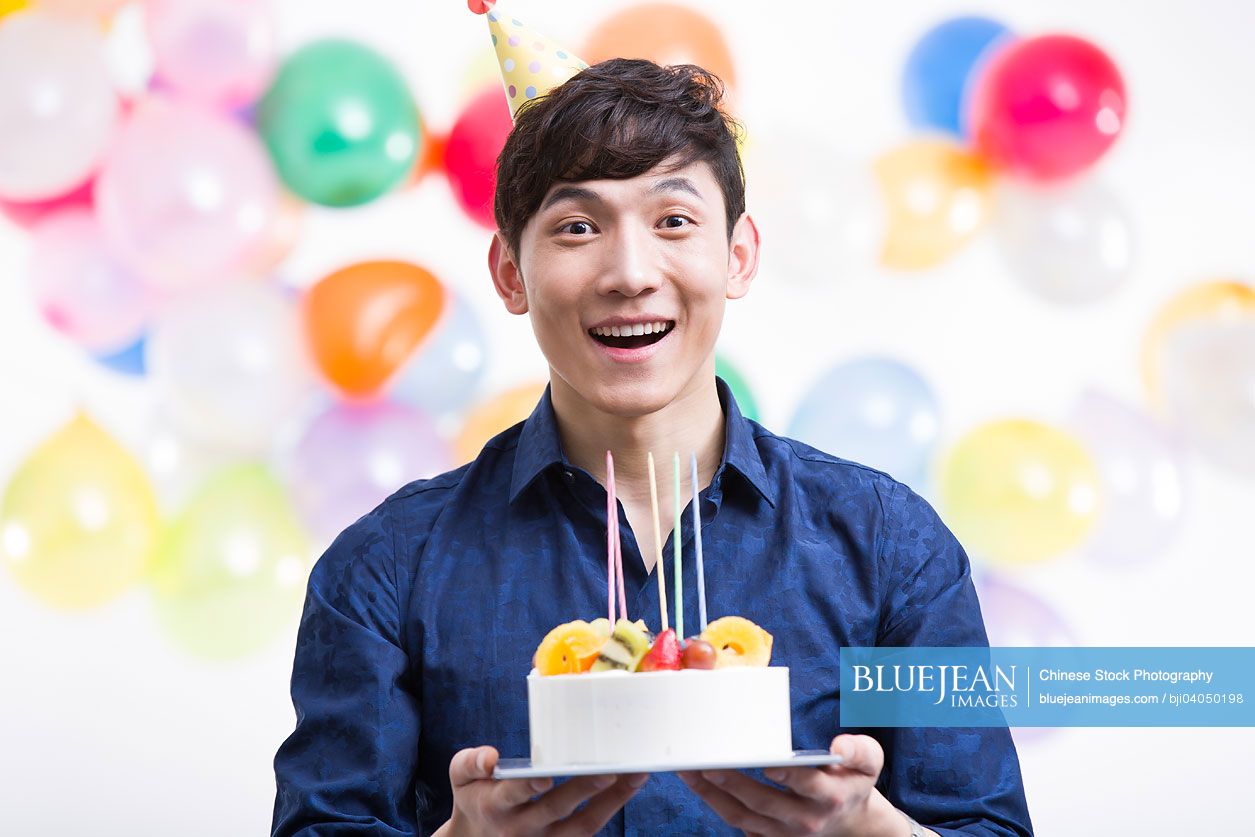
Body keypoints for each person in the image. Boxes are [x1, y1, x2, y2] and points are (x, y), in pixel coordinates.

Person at [272, 57, 1033, 836]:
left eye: (673, 221)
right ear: (509, 274)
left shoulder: (886, 548)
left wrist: (868, 829)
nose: (630, 274)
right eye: (577, 227)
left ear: (737, 255)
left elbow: (986, 824)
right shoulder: (384, 568)